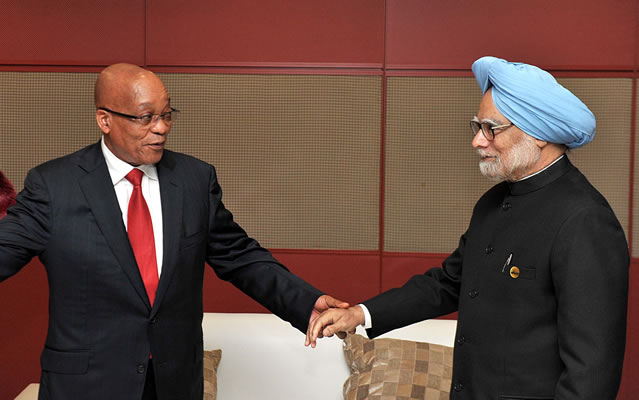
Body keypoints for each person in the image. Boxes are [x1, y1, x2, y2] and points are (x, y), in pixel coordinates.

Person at [0, 63, 348, 400]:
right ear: (104, 119)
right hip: (87, 385)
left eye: (166, 114)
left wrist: (305, 302)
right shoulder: (54, 186)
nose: (161, 127)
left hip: (174, 382)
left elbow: (241, 257)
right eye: (145, 116)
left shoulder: (194, 180)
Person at [306, 56, 629, 399]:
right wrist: (360, 314)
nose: (478, 141)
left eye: (492, 128)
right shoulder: (490, 204)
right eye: (477, 127)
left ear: (538, 134)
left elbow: (590, 376)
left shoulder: (585, 220)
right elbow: (448, 284)